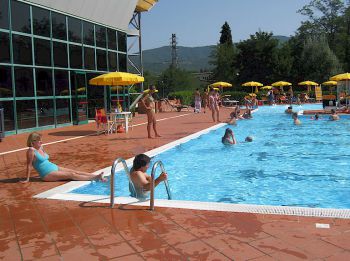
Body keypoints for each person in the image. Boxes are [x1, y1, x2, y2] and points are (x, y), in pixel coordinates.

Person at [22, 132, 105, 183]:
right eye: (39, 140)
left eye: (41, 140)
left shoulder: (40, 147)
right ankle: (94, 178)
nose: (41, 141)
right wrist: (27, 179)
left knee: (74, 171)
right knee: (71, 175)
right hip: (47, 174)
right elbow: (29, 165)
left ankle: (95, 175)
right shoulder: (31, 151)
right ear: (33, 141)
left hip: (53, 167)